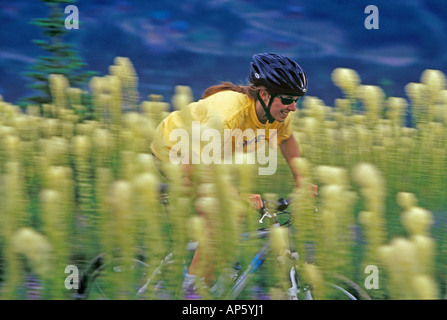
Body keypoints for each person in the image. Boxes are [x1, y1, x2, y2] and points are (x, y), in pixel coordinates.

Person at [150, 52, 318, 294]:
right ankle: (192, 293)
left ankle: (209, 269)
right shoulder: (228, 113)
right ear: (264, 94)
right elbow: (195, 164)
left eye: (296, 100)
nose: (293, 107)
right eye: (288, 100)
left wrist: (302, 180)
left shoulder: (276, 113)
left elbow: (287, 139)